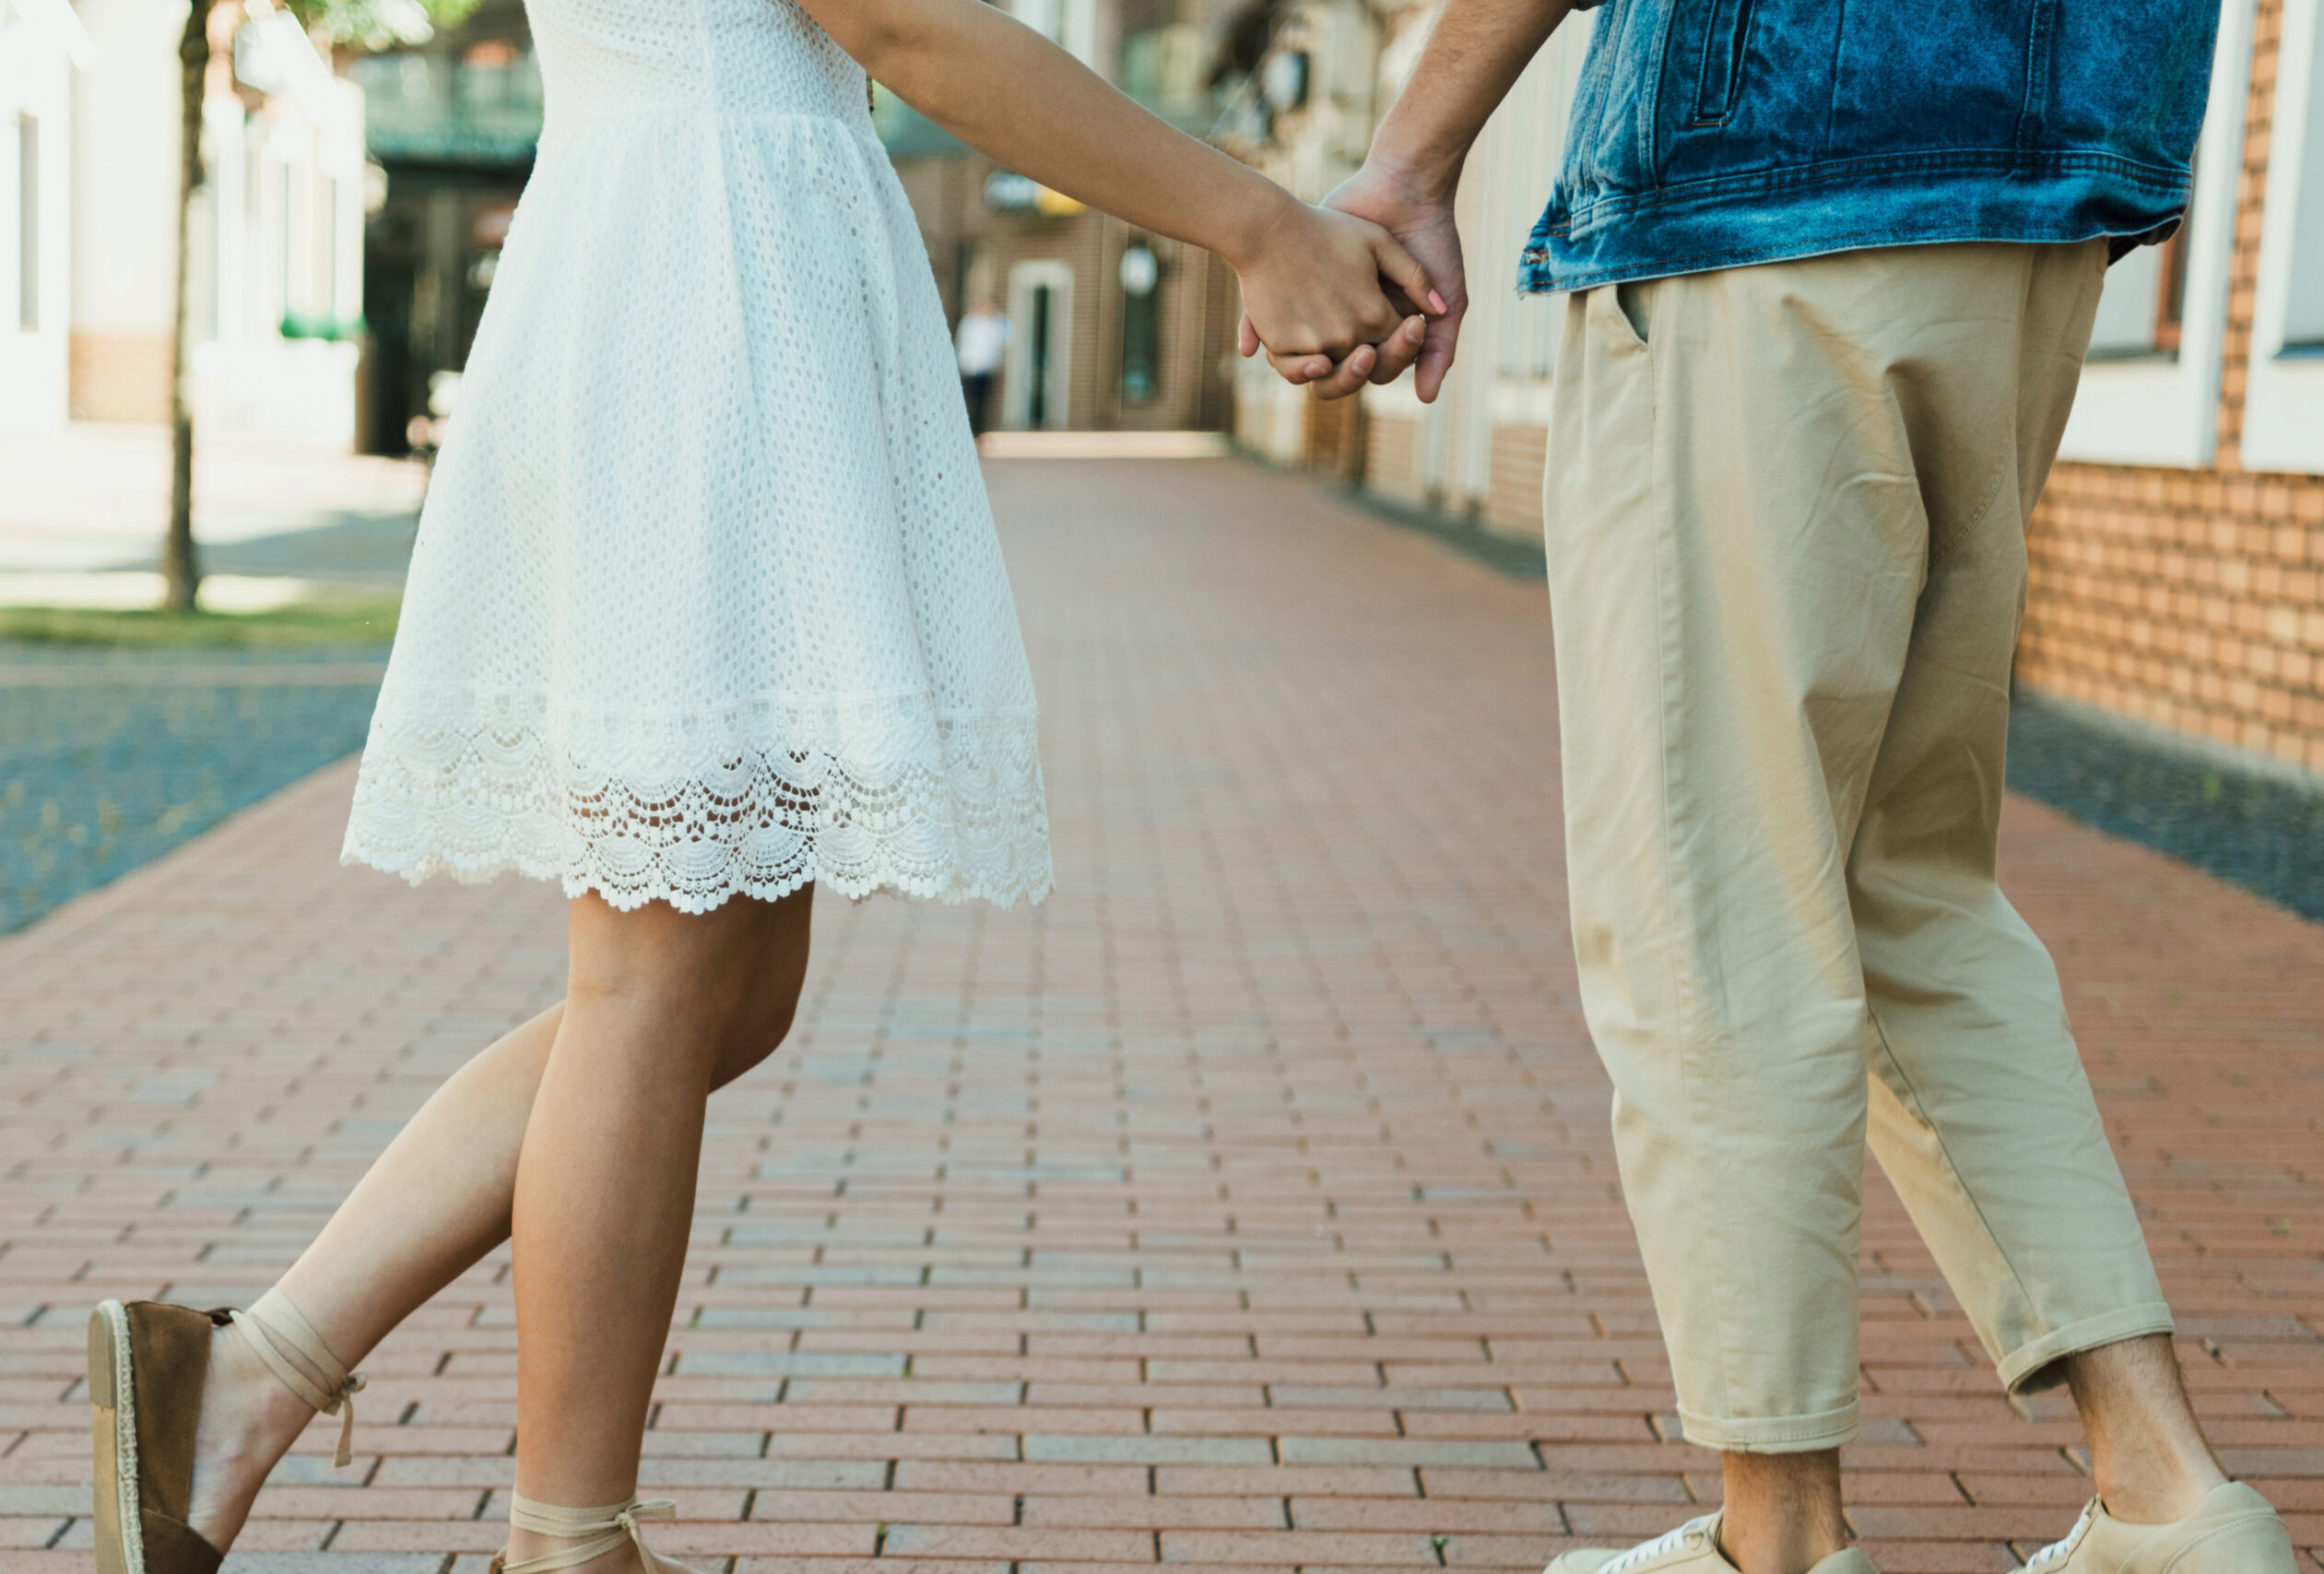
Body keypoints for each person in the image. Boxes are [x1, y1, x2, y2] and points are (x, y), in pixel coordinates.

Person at [81, 6, 1440, 1574]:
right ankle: (563, 1541)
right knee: (658, 975)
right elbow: (902, 20)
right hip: (703, 303)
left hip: (691, 272)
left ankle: (244, 1378)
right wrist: (1257, 222)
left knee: (720, 984)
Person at [1243, 2, 2297, 1572]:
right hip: (2037, 197)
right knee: (1902, 889)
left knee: (1711, 891)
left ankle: (1779, 1539)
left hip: (1763, 178)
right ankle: (2170, 1498)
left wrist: (1409, 157)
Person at [956, 294, 1009, 434]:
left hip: (986, 368)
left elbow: (1008, 336)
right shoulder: (970, 322)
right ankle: (967, 428)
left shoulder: (996, 323)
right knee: (969, 399)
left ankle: (979, 431)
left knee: (982, 402)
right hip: (969, 367)